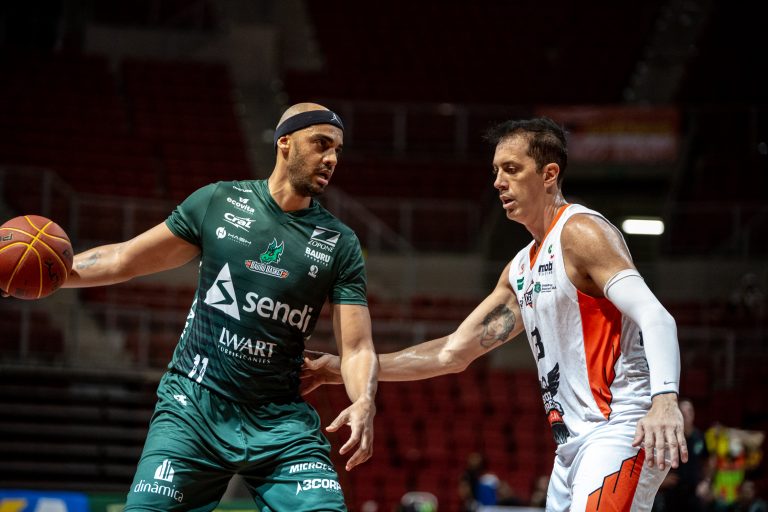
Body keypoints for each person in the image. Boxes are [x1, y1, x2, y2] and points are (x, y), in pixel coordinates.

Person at [302, 117, 687, 511]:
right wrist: (342, 368)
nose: (498, 182)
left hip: (621, 428)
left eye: (512, 169)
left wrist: (664, 401)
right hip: (571, 448)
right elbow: (451, 353)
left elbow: (656, 316)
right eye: (496, 171)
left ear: (549, 174)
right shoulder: (520, 270)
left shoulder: (581, 232)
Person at [57, 103, 379, 511]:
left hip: (279, 421)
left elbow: (357, 348)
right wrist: (53, 275)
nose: (331, 158)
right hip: (193, 407)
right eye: (321, 143)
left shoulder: (339, 242)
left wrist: (364, 399)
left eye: (337, 150)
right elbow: (124, 259)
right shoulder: (219, 200)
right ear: (285, 142)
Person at [653, 397, 713, 511]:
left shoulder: (700, 437)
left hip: (694, 493)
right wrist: (661, 481)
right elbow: (654, 461)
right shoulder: (669, 438)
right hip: (672, 493)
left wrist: (706, 482)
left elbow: (708, 461)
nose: (686, 415)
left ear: (693, 413)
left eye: (689, 411)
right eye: (683, 412)